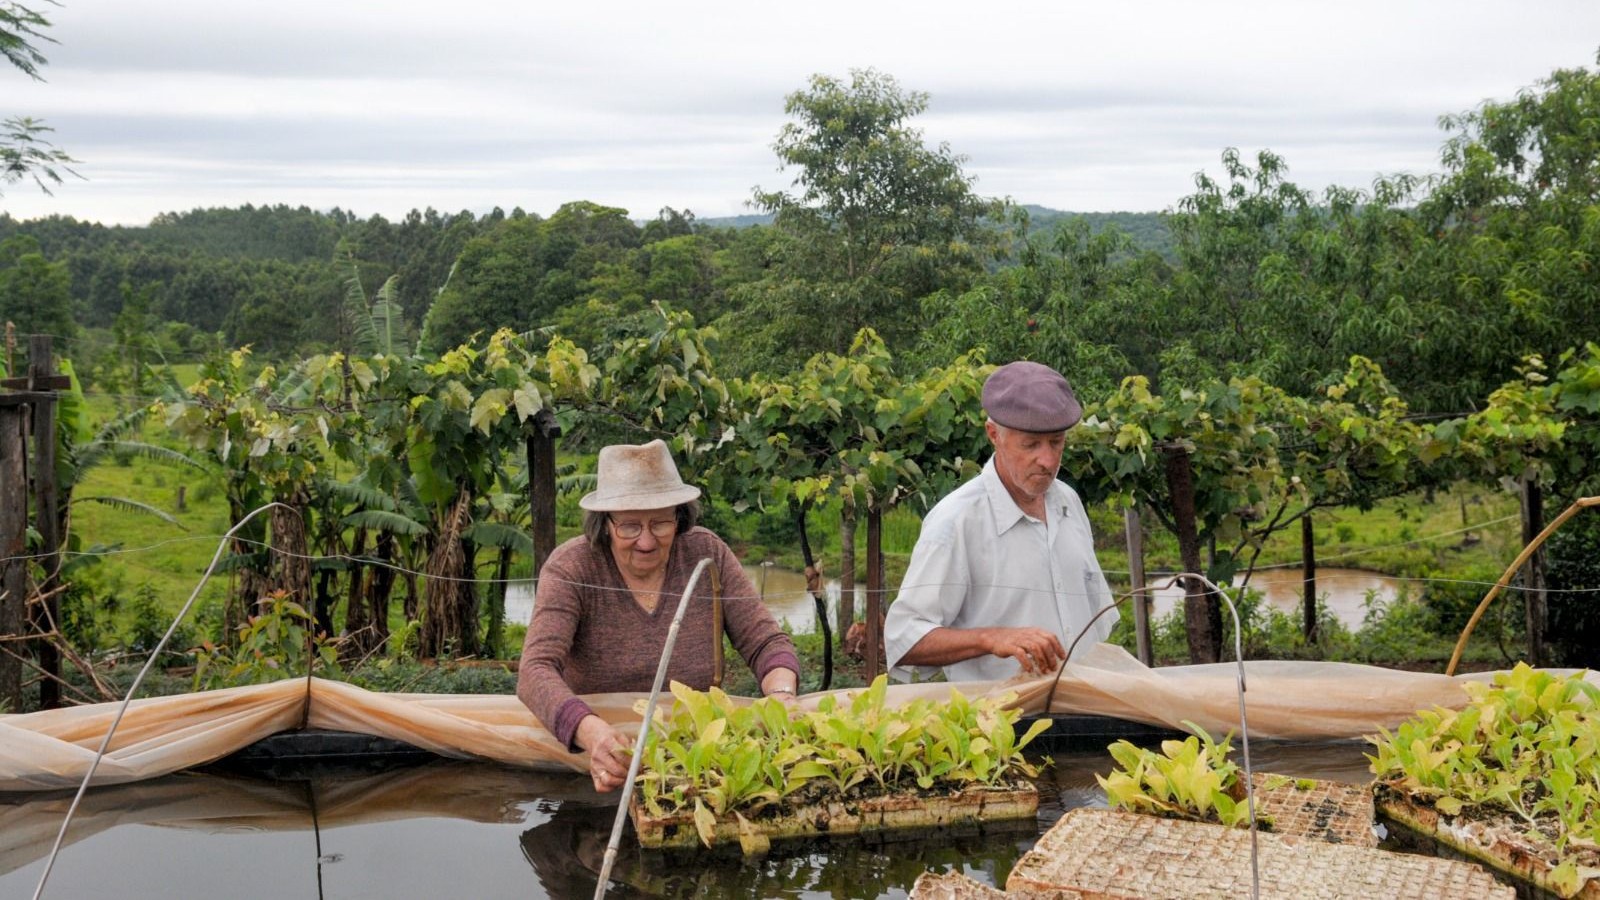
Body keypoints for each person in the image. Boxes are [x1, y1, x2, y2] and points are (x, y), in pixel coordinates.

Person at [517, 439, 801, 793]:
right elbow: (535, 670)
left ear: (679, 519)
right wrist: (592, 734)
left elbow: (766, 642)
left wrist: (782, 695)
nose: (647, 541)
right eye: (630, 526)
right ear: (605, 524)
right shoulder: (572, 567)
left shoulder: (706, 554)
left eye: (661, 523)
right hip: (599, 762)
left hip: (698, 763)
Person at [883, 361, 1117, 683]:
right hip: (1002, 725)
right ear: (994, 434)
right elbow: (904, 638)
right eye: (1031, 444)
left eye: (1057, 442)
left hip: (1085, 712)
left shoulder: (1068, 502)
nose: (1048, 460)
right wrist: (992, 638)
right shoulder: (955, 522)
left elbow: (1094, 625)